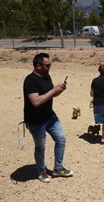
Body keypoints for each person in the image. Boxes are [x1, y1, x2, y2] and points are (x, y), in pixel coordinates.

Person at [23, 53, 73, 183]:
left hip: (50, 117)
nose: (49, 67)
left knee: (61, 139)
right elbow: (36, 101)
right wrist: (53, 90)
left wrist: (58, 91)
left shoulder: (46, 76)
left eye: (50, 65)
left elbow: (49, 96)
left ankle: (58, 168)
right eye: (47, 65)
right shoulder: (30, 81)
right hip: (36, 121)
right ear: (38, 66)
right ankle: (41, 171)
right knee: (40, 147)